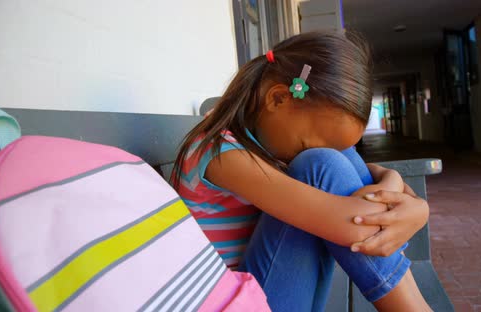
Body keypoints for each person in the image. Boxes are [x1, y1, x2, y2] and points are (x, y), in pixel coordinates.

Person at [172, 31, 432, 311]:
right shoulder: (220, 153)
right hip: (240, 305)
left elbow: (360, 185)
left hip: (268, 291)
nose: (304, 152)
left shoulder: (259, 142)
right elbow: (356, 227)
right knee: (320, 164)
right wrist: (410, 203)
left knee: (337, 157)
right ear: (279, 99)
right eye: (305, 143)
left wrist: (392, 182)